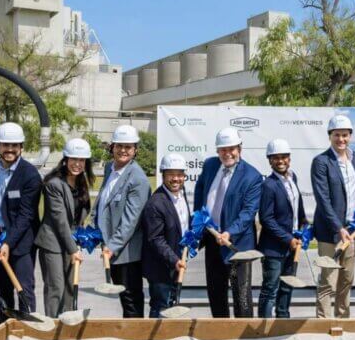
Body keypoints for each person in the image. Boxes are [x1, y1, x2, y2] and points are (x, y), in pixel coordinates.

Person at [193, 127, 262, 317]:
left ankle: (243, 336)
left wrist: (229, 232)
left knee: (241, 294)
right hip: (212, 240)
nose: (227, 153)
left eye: (232, 148)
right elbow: (200, 191)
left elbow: (248, 213)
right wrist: (199, 217)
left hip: (237, 245)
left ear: (240, 148)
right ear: (217, 151)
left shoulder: (252, 176)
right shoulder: (210, 166)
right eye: (223, 149)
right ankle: (219, 330)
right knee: (215, 291)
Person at [0, 122, 41, 321]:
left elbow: (26, 215)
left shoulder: (30, 174)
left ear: (21, 147)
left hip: (20, 241)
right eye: (5, 145)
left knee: (24, 288)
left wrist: (8, 243)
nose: (10, 149)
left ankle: (28, 333)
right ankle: (4, 331)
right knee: (3, 290)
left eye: (14, 145)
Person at [312, 115, 355, 318]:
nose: (341, 139)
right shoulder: (321, 162)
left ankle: (343, 319)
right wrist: (339, 228)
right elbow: (323, 199)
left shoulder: (354, 159)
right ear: (330, 136)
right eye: (337, 135)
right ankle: (324, 321)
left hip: (351, 231)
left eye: (345, 135)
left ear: (350, 136)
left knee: (347, 279)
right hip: (331, 232)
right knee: (328, 280)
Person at [95, 125, 151, 318]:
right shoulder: (111, 168)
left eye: (129, 147)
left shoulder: (137, 179)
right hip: (112, 247)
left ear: (135, 150)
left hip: (127, 252)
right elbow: (104, 204)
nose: (123, 150)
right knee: (123, 299)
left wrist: (112, 246)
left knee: (130, 299)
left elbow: (130, 221)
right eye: (119, 146)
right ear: (112, 147)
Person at [36, 138, 93, 318]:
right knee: (56, 287)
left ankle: (66, 325)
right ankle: (53, 327)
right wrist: (73, 249)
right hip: (53, 242)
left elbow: (80, 215)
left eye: (82, 160)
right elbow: (60, 220)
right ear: (65, 159)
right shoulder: (54, 184)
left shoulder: (81, 182)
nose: (77, 164)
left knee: (69, 286)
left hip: (71, 242)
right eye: (73, 159)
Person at [257, 139, 308, 318]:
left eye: (284, 157)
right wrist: (288, 239)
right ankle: (262, 326)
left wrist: (304, 224)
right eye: (275, 158)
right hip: (273, 249)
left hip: (293, 245)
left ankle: (283, 319)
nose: (280, 161)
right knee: (270, 289)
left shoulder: (292, 178)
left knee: (287, 286)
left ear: (289, 158)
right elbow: (266, 219)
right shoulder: (268, 185)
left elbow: (297, 207)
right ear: (269, 160)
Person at [141, 154, 191, 318]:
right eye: (171, 174)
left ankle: (167, 339)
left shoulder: (181, 195)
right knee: (161, 307)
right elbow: (156, 239)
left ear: (184, 176)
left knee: (171, 305)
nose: (175, 179)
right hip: (161, 268)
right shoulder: (156, 203)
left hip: (176, 264)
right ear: (163, 175)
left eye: (179, 174)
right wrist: (174, 260)